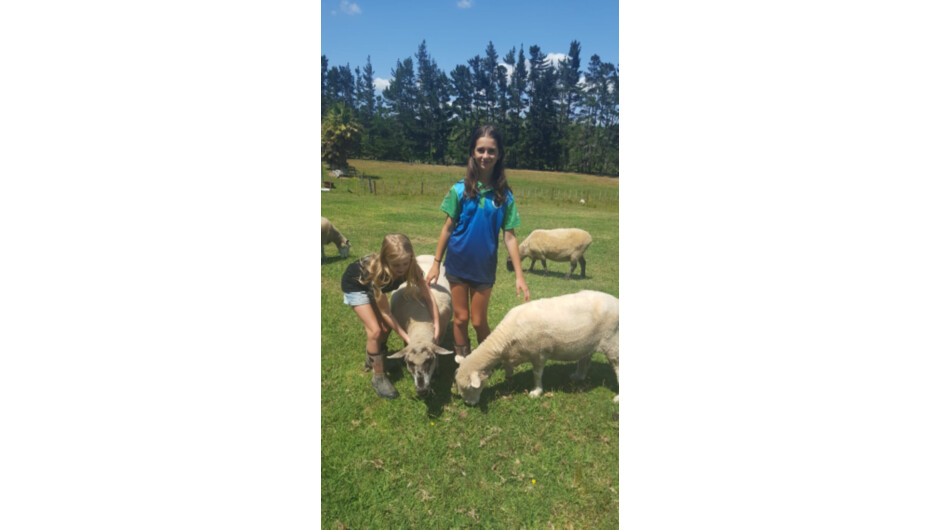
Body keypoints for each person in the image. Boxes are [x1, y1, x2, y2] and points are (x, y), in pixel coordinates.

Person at [427, 125, 530, 363]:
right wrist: (435, 264)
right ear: (473, 152)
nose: (486, 156)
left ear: (499, 154)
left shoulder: (505, 196)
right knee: (461, 319)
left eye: (491, 151)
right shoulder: (459, 190)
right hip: (457, 264)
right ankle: (463, 361)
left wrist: (519, 275)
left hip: (484, 268)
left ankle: (490, 360)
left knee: (478, 321)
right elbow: (447, 228)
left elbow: (510, 236)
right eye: (480, 150)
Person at [341, 233, 441, 399]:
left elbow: (428, 295)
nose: (401, 268)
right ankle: (378, 377)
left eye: (405, 263)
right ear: (386, 261)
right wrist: (408, 339)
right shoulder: (378, 272)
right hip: (356, 285)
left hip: (372, 288)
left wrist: (436, 323)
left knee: (386, 327)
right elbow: (386, 312)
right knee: (375, 331)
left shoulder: (411, 267)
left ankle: (374, 357)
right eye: (396, 265)